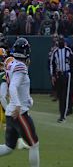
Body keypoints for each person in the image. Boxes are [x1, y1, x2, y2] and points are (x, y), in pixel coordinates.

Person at [0, 38, 40, 167]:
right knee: (34, 144)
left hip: (11, 113)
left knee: (8, 148)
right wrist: (18, 104)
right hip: (19, 113)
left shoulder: (10, 64)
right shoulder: (20, 66)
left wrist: (27, 100)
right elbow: (13, 87)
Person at [50, 35, 73, 123]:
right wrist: (52, 76)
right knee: (60, 96)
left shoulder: (68, 50)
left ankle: (63, 116)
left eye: (62, 41)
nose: (60, 43)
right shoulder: (55, 52)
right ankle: (61, 113)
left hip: (67, 75)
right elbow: (52, 64)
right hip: (59, 75)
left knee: (66, 95)